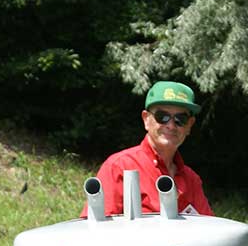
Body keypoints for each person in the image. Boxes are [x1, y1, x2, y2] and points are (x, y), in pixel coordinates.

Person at [80, 80, 213, 218]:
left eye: (181, 119)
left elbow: (210, 231)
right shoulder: (119, 167)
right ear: (146, 119)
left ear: (189, 125)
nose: (171, 125)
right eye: (162, 117)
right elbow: (95, 230)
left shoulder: (192, 179)